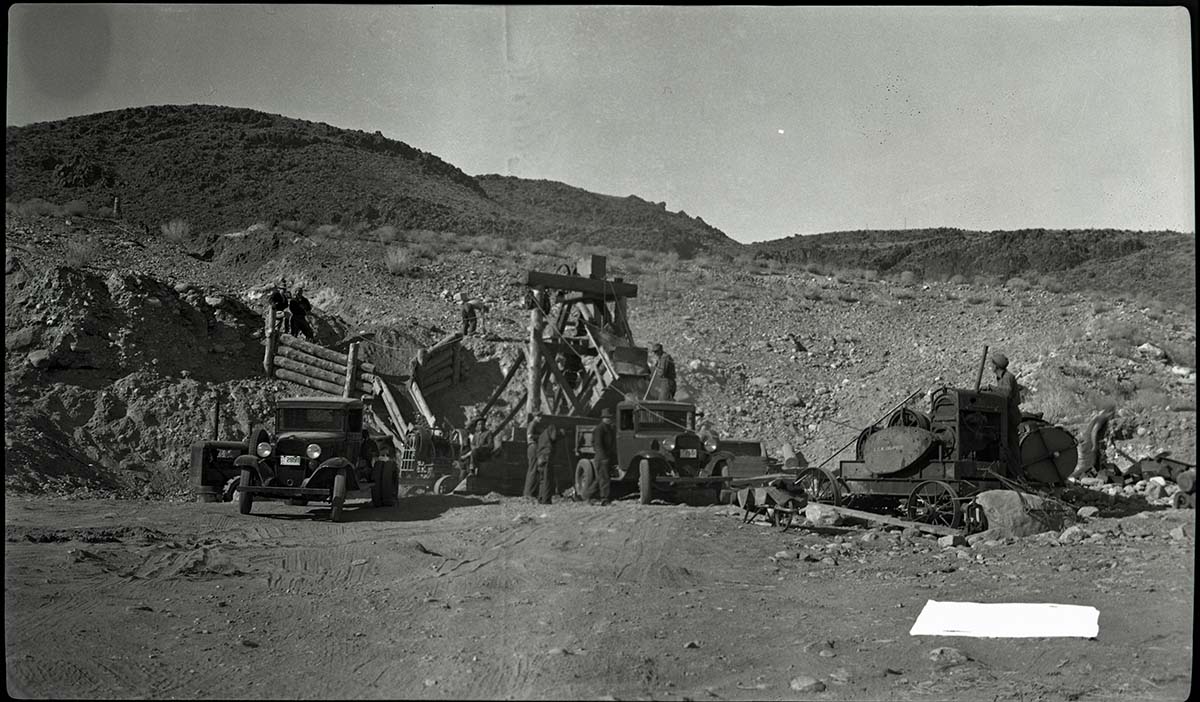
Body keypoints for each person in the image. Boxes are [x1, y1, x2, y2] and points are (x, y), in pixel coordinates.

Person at [986, 351, 1023, 479]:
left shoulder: (1007, 377)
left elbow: (1006, 394)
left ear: (996, 366)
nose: (990, 367)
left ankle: (1017, 476)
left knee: (1011, 447)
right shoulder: (1001, 378)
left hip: (1010, 416)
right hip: (1005, 415)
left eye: (992, 364)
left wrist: (991, 388)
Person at [591, 408, 616, 505]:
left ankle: (587, 495)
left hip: (606, 456)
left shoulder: (609, 428)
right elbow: (597, 445)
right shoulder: (599, 429)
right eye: (607, 417)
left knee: (600, 479)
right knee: (604, 479)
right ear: (603, 418)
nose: (609, 419)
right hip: (602, 458)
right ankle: (604, 499)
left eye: (610, 417)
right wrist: (604, 457)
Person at [534, 421, 561, 505]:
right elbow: (553, 437)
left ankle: (540, 498)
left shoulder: (542, 435)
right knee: (547, 480)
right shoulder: (551, 430)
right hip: (546, 458)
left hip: (540, 458)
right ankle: (546, 500)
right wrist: (561, 435)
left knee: (542, 479)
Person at [523, 414, 542, 501]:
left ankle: (530, 492)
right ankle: (529, 493)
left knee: (533, 469)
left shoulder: (534, 424)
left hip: (533, 447)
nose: (540, 419)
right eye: (539, 417)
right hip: (533, 446)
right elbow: (530, 436)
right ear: (535, 417)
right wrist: (541, 437)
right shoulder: (533, 424)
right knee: (533, 469)